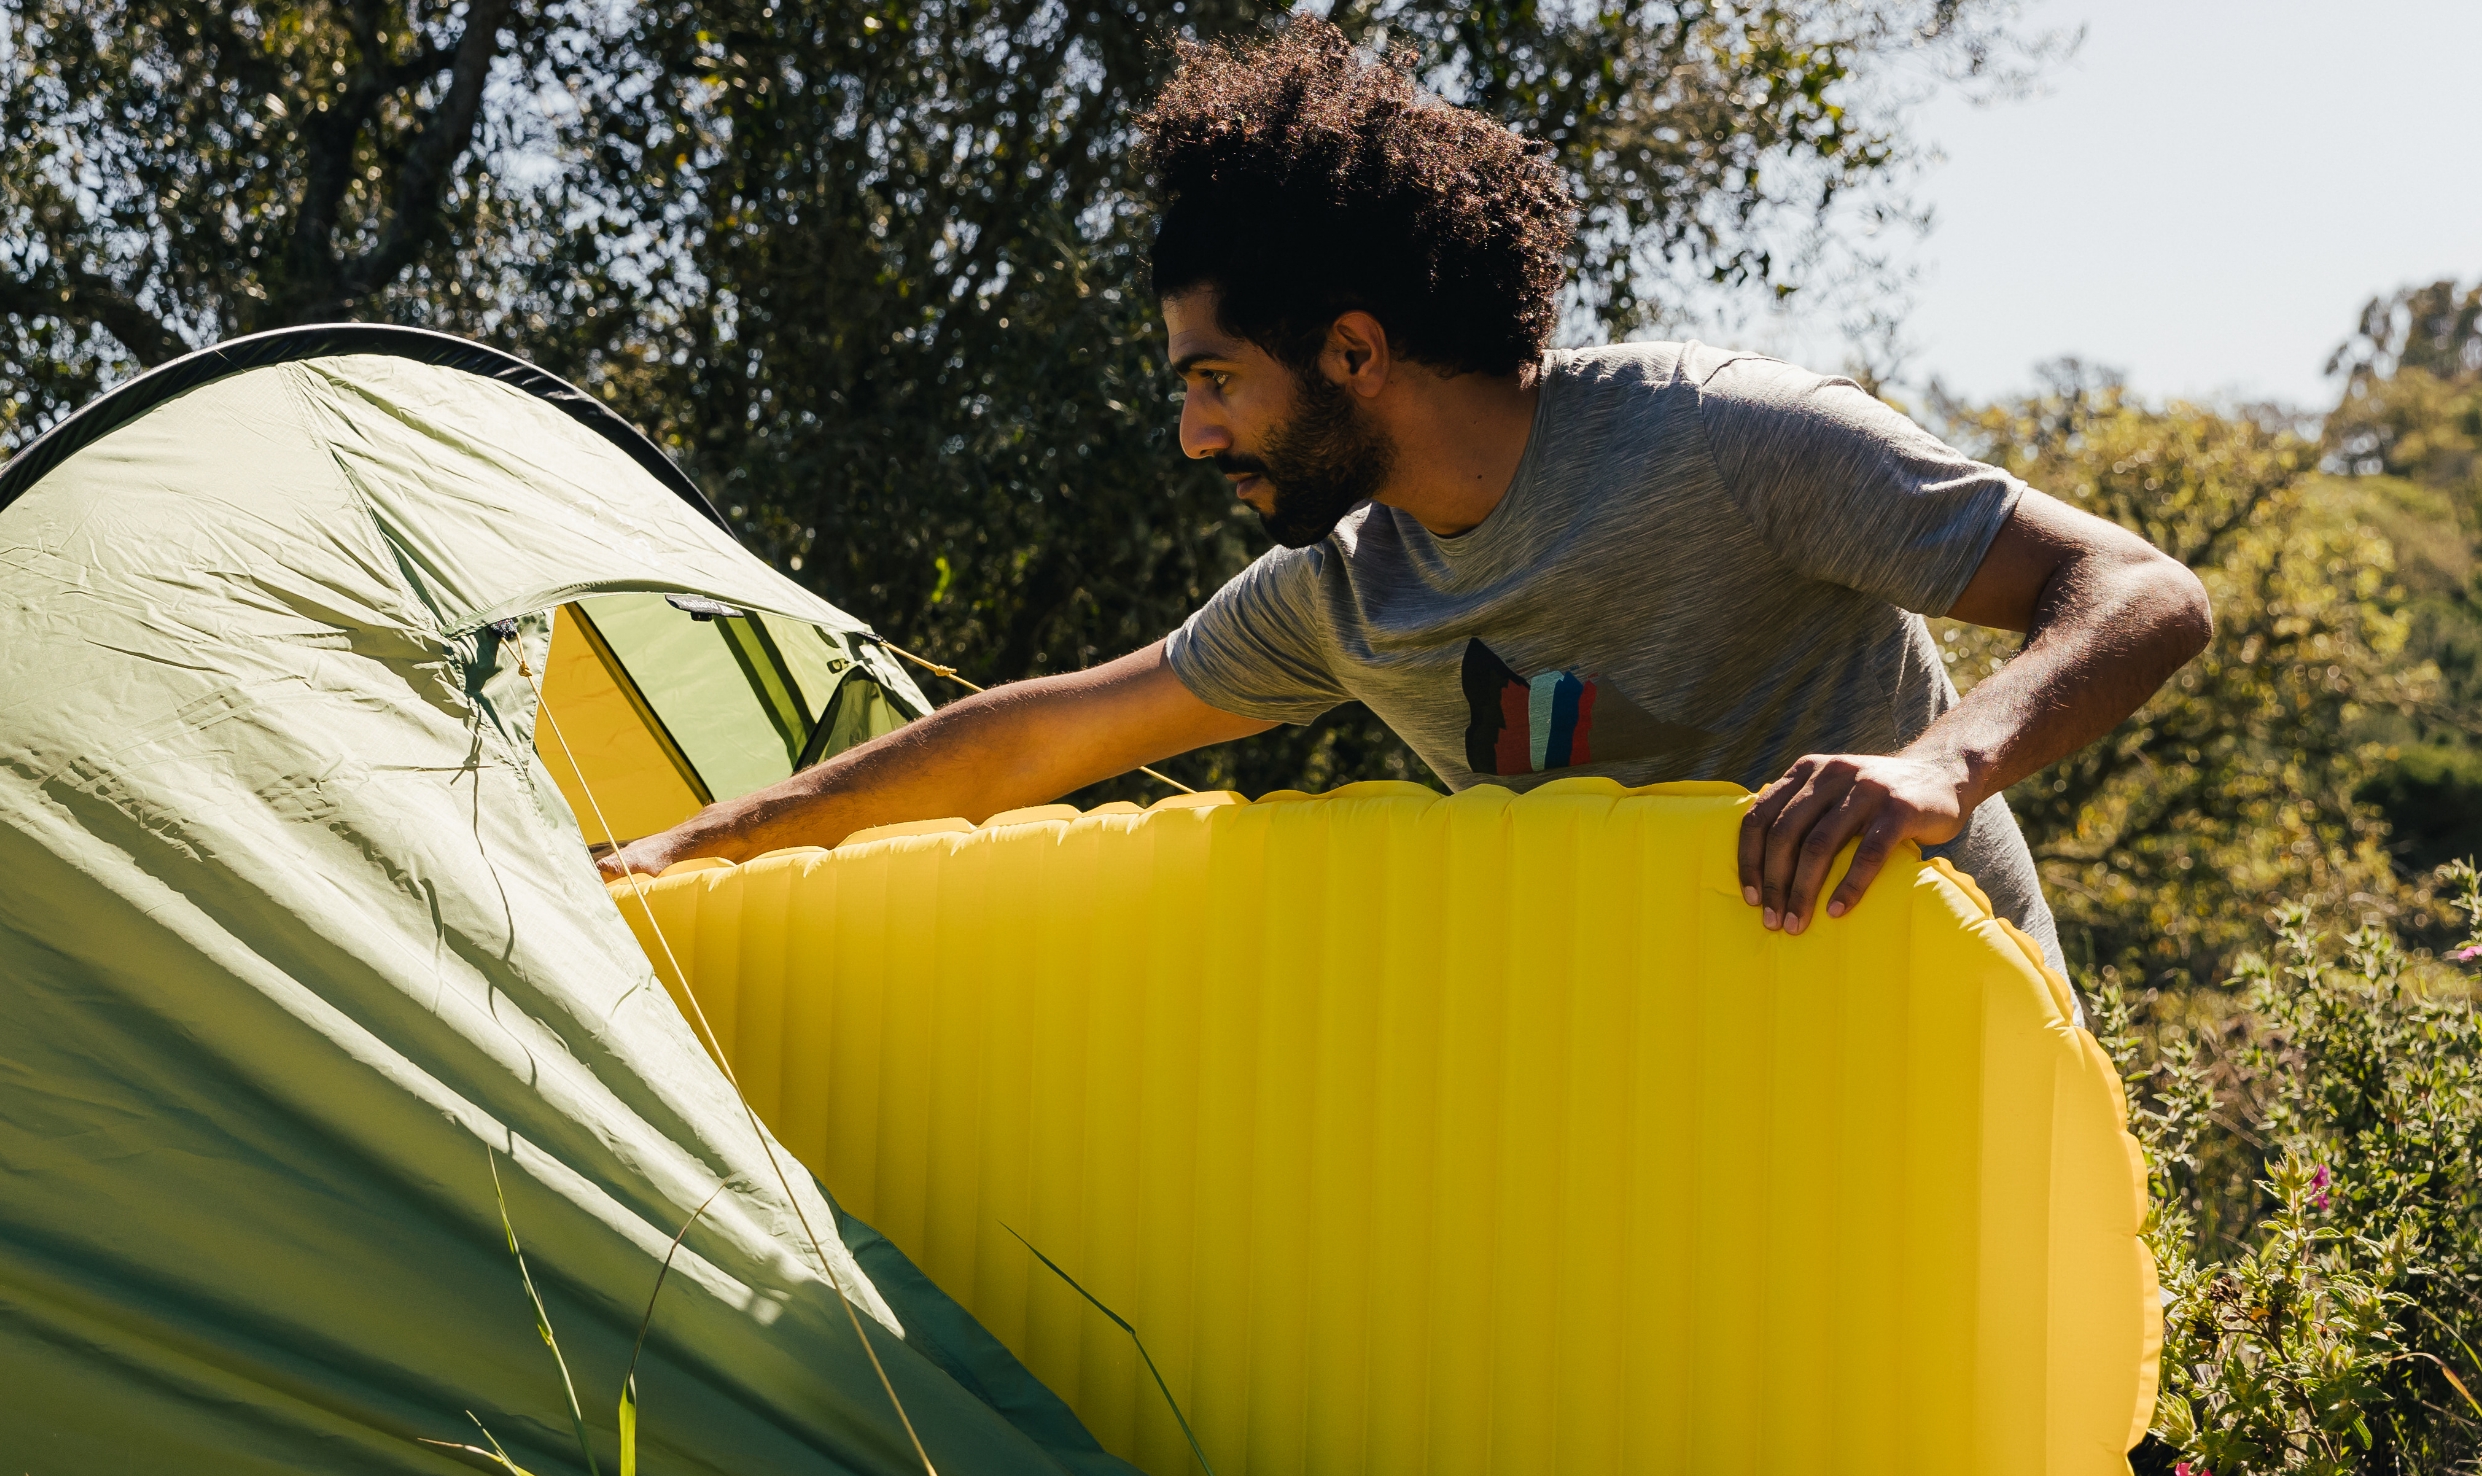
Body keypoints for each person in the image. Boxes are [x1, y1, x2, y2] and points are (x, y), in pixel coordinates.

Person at [595, 21, 2211, 984]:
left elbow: (2144, 594)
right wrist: (688, 851)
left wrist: (1939, 766)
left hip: (1961, 1051)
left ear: (1354, 350)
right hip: (1702, 1105)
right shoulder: (1344, 597)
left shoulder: (1727, 442)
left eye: (1213, 380)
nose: (1190, 433)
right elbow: (1034, 740)